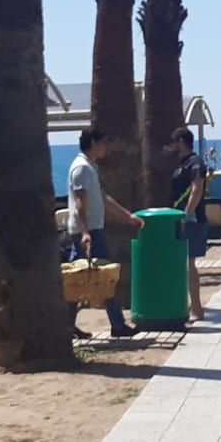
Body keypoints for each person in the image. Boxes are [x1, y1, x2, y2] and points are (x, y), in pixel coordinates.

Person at [68, 127, 139, 339]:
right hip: (89, 231)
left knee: (77, 278)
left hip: (91, 229)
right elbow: (80, 201)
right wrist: (85, 232)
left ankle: (66, 325)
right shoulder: (82, 168)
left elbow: (103, 199)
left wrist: (127, 217)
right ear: (93, 143)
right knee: (104, 277)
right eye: (102, 142)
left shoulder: (90, 168)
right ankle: (117, 324)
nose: (105, 147)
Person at [169, 126, 210, 324]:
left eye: (174, 142)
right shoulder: (180, 163)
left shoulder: (195, 163)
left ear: (181, 142)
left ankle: (197, 308)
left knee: (189, 263)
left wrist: (186, 216)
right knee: (181, 263)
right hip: (179, 218)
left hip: (191, 219)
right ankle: (186, 305)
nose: (171, 146)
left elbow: (197, 189)